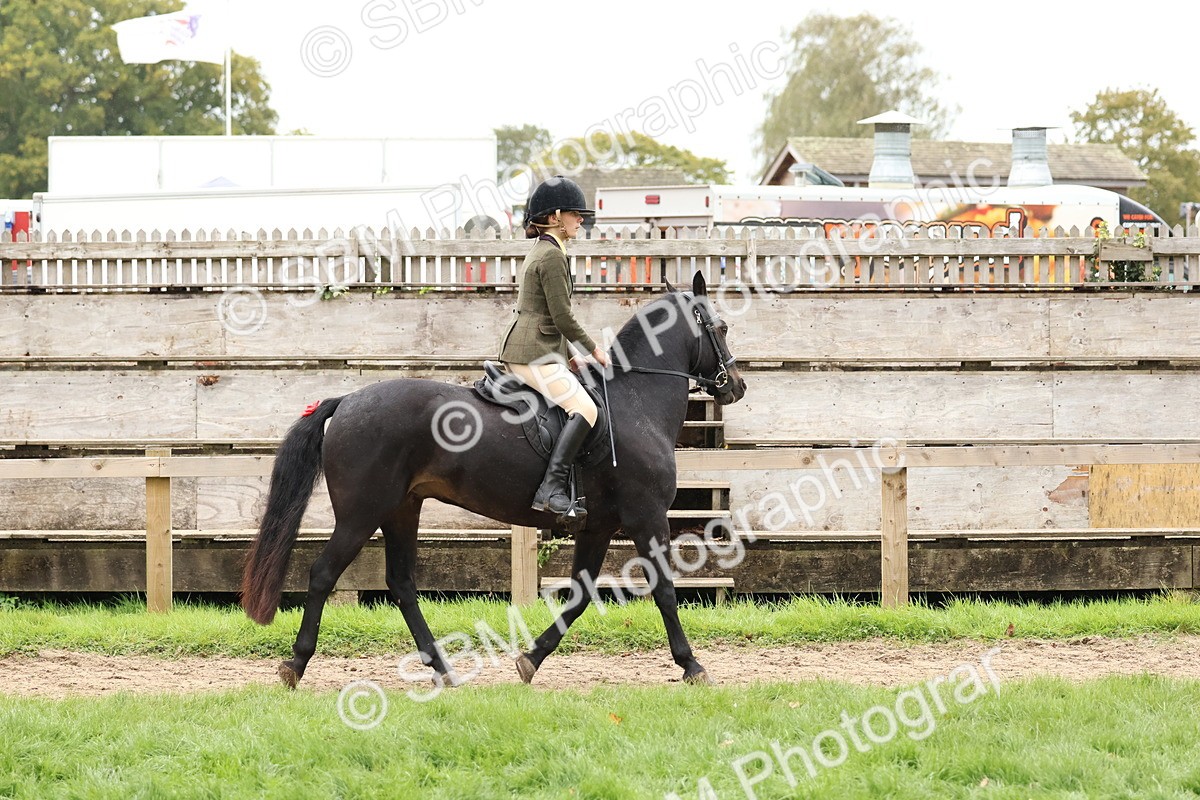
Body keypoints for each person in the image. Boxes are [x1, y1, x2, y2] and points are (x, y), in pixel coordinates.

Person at [499, 175, 609, 524]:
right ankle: (551, 490)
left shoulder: (547, 250)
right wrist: (594, 350)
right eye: (577, 214)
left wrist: (570, 356)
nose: (582, 220)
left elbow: (546, 313)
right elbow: (562, 317)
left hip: (537, 348)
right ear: (556, 216)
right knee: (586, 409)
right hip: (530, 352)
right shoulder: (551, 257)